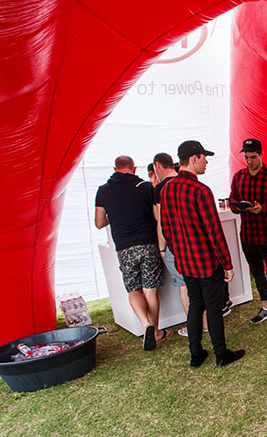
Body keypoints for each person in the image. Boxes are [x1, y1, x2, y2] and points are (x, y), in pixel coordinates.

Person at [159, 140, 245, 369]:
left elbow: (166, 229)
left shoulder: (166, 189)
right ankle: (221, 354)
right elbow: (214, 232)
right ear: (194, 158)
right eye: (204, 157)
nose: (206, 161)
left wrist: (179, 252)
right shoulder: (200, 191)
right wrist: (227, 264)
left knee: (195, 305)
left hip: (185, 263)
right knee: (213, 308)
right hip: (206, 262)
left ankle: (196, 354)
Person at [94, 155, 171, 351]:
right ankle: (156, 331)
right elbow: (157, 215)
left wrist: (115, 216)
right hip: (148, 243)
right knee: (150, 290)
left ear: (115, 168)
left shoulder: (103, 191)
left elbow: (99, 223)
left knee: (133, 290)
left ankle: (145, 324)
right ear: (134, 168)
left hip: (124, 247)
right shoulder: (145, 187)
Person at [229, 138, 267, 330]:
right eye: (246, 157)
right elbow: (232, 201)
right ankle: (266, 307)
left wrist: (263, 209)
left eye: (253, 157)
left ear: (261, 155)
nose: (249, 161)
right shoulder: (238, 177)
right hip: (247, 236)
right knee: (257, 273)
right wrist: (240, 207)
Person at [151, 152, 206, 338]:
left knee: (185, 286)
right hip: (196, 243)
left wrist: (162, 248)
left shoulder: (162, 188)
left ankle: (197, 326)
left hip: (176, 246)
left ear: (158, 166)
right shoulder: (190, 184)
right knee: (200, 284)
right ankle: (205, 323)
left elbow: (161, 222)